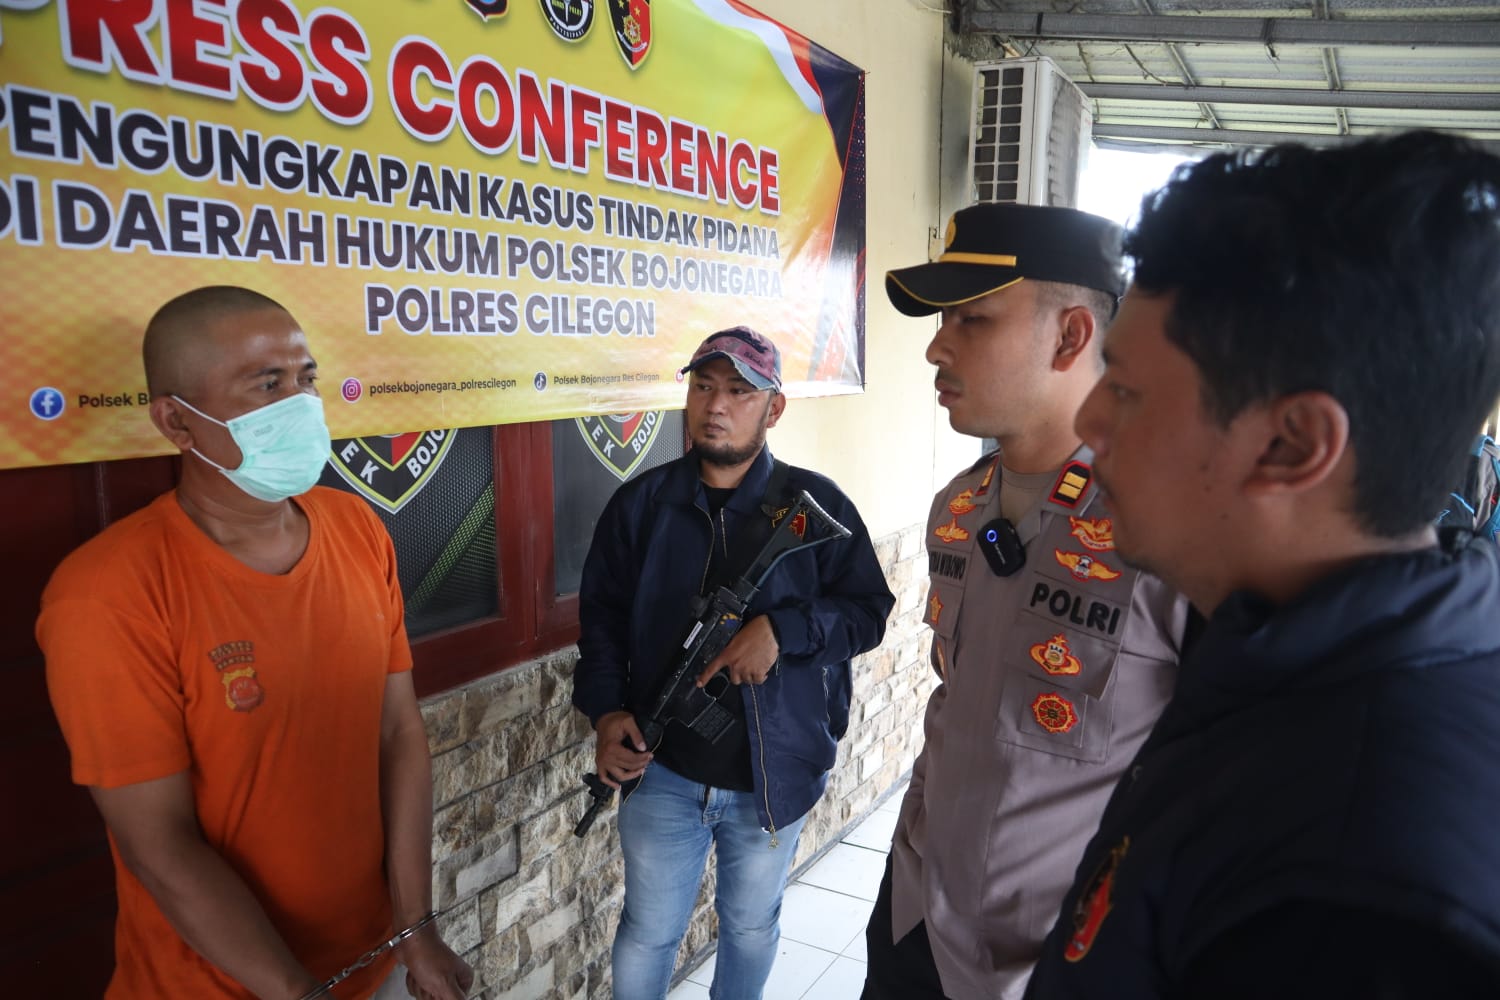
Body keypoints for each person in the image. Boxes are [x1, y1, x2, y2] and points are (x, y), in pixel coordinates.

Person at [1025, 130, 1500, 998]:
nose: (1089, 422)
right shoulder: (1279, 655)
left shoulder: (1357, 894)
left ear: (1291, 446)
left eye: (1124, 389)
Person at [38, 286, 473, 1000]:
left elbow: (397, 732)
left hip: (378, 960)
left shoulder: (357, 529)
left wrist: (414, 928)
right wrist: (297, 991)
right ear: (177, 421)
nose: (300, 404)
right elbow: (159, 844)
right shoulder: (108, 593)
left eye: (306, 378)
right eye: (267, 385)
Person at [864, 204, 1190, 1000]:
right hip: (915, 919)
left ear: (1071, 336)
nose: (937, 346)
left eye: (972, 319)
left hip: (1053, 959)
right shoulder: (959, 506)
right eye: (943, 320)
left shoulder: (1167, 535)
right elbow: (961, 701)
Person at [571, 326, 894, 1000]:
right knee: (648, 933)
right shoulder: (641, 506)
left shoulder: (815, 508)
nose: (716, 405)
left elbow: (868, 612)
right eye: (703, 386)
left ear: (774, 409)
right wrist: (606, 713)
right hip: (661, 770)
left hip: (775, 774)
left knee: (749, 927)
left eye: (740, 392)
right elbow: (601, 621)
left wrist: (783, 630)